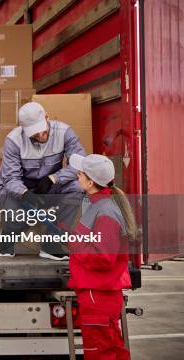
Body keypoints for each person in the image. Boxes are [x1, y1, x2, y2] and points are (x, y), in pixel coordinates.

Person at [0, 102, 86, 260]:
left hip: (50, 185)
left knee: (77, 187)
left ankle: (50, 244)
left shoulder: (65, 132)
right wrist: (24, 194)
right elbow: (10, 178)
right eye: (34, 134)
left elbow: (80, 164)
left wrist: (54, 178)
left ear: (47, 118)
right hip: (20, 188)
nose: (40, 136)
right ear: (23, 129)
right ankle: (7, 237)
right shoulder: (13, 140)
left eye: (42, 131)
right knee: (20, 218)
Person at [67, 153, 136, 360]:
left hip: (97, 295)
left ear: (89, 182)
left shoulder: (105, 211)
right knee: (114, 348)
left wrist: (73, 245)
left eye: (80, 174)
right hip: (100, 294)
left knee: (99, 353)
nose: (77, 177)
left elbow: (103, 257)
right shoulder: (98, 204)